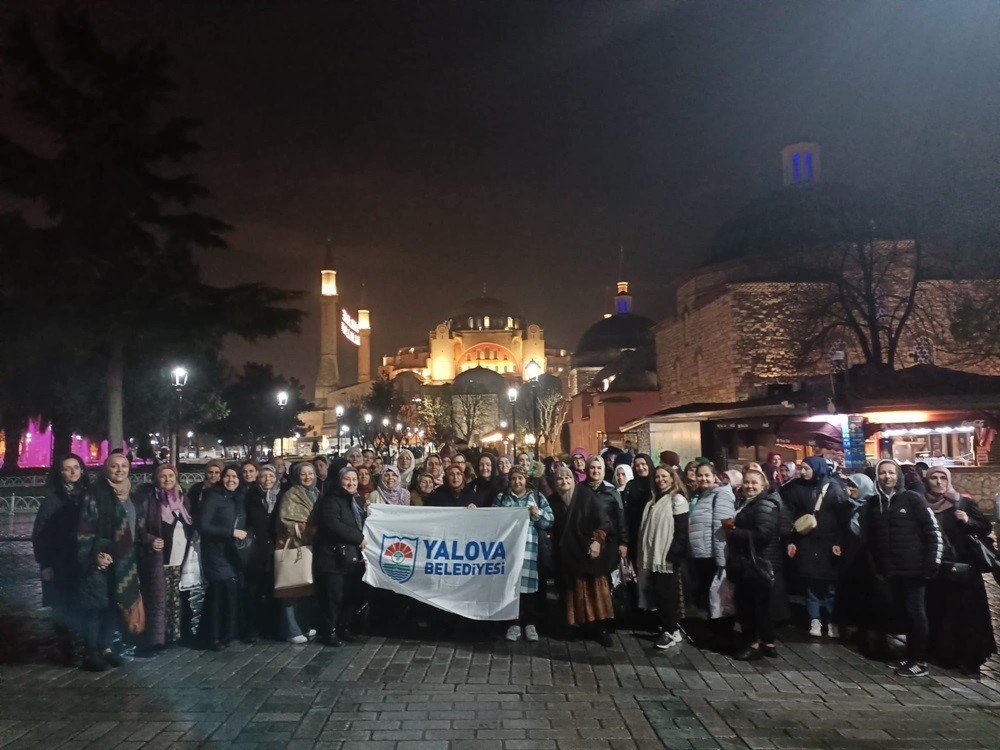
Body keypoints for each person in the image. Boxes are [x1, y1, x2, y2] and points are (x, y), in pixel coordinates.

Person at [865, 459, 943, 678]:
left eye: (891, 472)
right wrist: (878, 568)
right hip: (892, 571)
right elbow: (872, 539)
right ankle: (910, 655)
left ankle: (919, 661)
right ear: (877, 476)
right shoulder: (874, 503)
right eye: (883, 473)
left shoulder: (912, 499)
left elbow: (933, 532)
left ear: (898, 476)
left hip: (915, 569)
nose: (887, 476)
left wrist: (932, 563)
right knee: (905, 615)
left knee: (916, 613)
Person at [923, 466, 996, 673]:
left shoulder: (962, 502)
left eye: (942, 478)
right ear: (927, 481)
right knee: (941, 611)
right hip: (938, 569)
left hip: (965, 569)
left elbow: (985, 528)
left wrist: (967, 520)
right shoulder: (923, 506)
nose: (938, 482)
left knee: (968, 613)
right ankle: (944, 655)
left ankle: (970, 656)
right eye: (934, 478)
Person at [76, 453, 141, 671]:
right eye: (114, 466)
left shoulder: (130, 494)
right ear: (106, 469)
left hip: (122, 560)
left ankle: (106, 648)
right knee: (95, 606)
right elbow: (85, 529)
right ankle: (90, 652)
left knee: (113, 604)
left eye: (124, 466)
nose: (120, 470)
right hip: (100, 560)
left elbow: (135, 528)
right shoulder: (95, 494)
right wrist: (96, 554)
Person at [549, 465, 616, 646]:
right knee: (572, 594)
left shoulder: (586, 496)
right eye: (560, 479)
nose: (564, 482)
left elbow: (603, 520)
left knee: (594, 593)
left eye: (568, 478)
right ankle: (577, 627)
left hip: (588, 552)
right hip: (568, 556)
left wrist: (598, 542)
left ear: (573, 479)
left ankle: (600, 629)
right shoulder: (553, 500)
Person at [783, 456, 849, 638]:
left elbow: (843, 519)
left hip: (829, 544)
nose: (802, 472)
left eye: (806, 468)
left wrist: (839, 542)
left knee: (829, 586)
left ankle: (830, 620)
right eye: (801, 468)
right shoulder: (795, 488)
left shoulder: (833, 488)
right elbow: (789, 515)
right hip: (806, 541)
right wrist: (790, 539)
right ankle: (814, 619)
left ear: (817, 468)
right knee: (811, 584)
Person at [33, 453, 90, 665]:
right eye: (67, 468)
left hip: (83, 562)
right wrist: (45, 564)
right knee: (63, 607)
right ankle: (66, 651)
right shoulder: (53, 500)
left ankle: (84, 648)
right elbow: (40, 534)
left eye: (76, 467)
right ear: (60, 473)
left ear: (82, 470)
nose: (73, 472)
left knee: (84, 605)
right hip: (60, 563)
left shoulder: (88, 496)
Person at [724, 468, 785, 661]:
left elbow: (763, 535)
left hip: (757, 562)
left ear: (763, 486)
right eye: (747, 482)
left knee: (750, 604)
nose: (749, 486)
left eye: (754, 483)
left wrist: (734, 531)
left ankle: (753, 644)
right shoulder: (750, 503)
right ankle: (768, 642)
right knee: (761, 605)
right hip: (753, 561)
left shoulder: (764, 504)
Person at [134, 463, 195, 653]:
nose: (167, 480)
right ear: (157, 478)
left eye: (171, 476)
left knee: (174, 598)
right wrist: (149, 539)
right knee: (156, 598)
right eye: (163, 476)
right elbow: (138, 527)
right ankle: (154, 639)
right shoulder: (149, 500)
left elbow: (189, 524)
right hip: (157, 558)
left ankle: (172, 634)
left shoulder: (182, 499)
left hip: (179, 556)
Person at [494, 466, 554, 641]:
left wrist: (538, 513)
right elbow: (492, 519)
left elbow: (550, 520)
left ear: (525, 479)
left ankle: (530, 623)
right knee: (511, 587)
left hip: (530, 550)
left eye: (520, 478)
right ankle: (513, 623)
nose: (517, 482)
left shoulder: (536, 497)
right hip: (508, 552)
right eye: (513, 478)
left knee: (529, 590)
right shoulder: (502, 497)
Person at [636, 467, 689, 650]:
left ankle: (670, 630)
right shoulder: (653, 500)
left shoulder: (677, 500)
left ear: (672, 478)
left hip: (666, 555)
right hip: (654, 555)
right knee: (659, 594)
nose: (660, 480)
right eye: (657, 477)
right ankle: (670, 628)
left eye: (664, 476)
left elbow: (682, 531)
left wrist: (673, 554)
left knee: (666, 595)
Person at [313, 465, 367, 646]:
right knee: (332, 597)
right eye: (347, 479)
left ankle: (344, 627)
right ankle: (329, 631)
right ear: (339, 480)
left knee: (349, 595)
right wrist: (359, 537)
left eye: (354, 479)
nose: (351, 483)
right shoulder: (330, 500)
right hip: (332, 559)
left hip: (350, 558)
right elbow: (333, 524)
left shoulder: (356, 501)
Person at [197, 465, 247, 650]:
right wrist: (230, 532)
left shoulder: (238, 498)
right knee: (218, 592)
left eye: (235, 476)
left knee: (229, 592)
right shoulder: (214, 496)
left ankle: (226, 633)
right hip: (215, 551)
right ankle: (213, 637)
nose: (231, 480)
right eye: (227, 476)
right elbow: (203, 525)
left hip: (231, 552)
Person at [686, 463, 736, 635]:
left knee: (718, 596)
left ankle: (721, 632)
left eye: (707, 475)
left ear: (715, 475)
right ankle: (713, 629)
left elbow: (721, 529)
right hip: (701, 553)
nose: (703, 478)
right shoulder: (699, 496)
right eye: (700, 475)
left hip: (713, 554)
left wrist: (722, 559)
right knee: (710, 596)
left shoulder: (720, 496)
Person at [275, 462, 320, 643]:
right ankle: (291, 629)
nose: (308, 477)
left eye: (311, 473)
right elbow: (285, 520)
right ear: (296, 476)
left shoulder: (316, 493)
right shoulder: (291, 494)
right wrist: (307, 527)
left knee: (306, 589)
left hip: (311, 547)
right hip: (294, 546)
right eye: (303, 474)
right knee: (291, 589)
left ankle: (305, 625)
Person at [243, 464, 279, 641]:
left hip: (275, 548)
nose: (268, 480)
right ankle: (251, 628)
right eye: (264, 476)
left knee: (272, 589)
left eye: (271, 476)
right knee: (254, 591)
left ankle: (270, 627)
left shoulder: (280, 496)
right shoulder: (250, 496)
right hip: (256, 549)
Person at [585, 455, 628, 561]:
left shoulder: (611, 492)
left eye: (599, 468)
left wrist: (623, 542)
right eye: (592, 467)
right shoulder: (580, 490)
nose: (596, 471)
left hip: (609, 542)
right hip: (586, 542)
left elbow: (621, 518)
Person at [622, 454, 654, 567]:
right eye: (637, 465)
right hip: (635, 535)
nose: (640, 468)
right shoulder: (630, 486)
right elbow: (625, 513)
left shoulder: (657, 484)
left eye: (643, 464)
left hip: (653, 534)